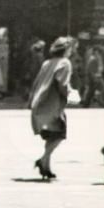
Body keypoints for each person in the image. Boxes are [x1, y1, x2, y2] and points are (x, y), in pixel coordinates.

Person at [28, 36, 76, 181]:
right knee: (59, 134)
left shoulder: (47, 63)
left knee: (51, 135)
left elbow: (37, 82)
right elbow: (62, 83)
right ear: (66, 49)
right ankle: (43, 160)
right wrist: (70, 95)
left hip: (41, 103)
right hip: (53, 105)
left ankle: (46, 167)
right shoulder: (65, 63)